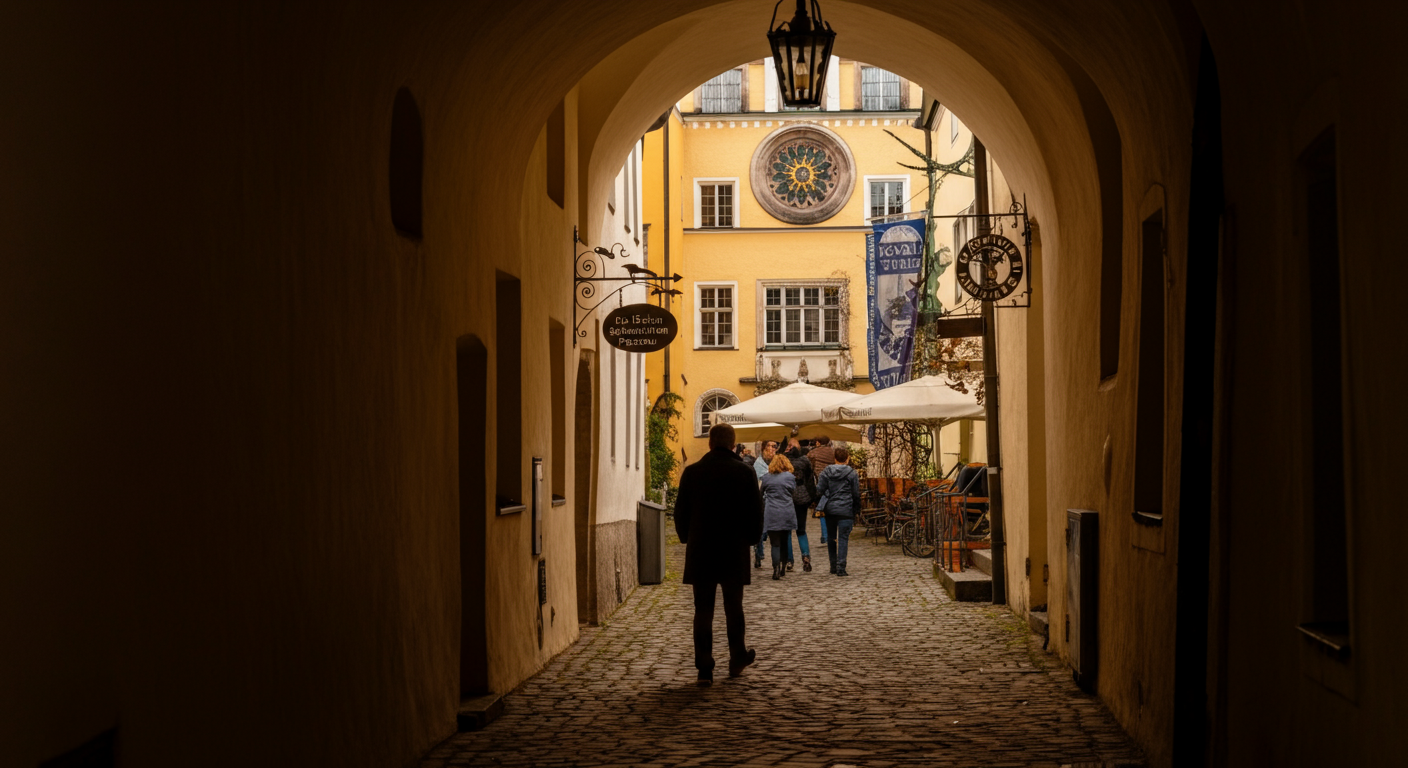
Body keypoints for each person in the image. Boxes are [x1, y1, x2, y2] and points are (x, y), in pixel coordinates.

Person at [674, 423, 763, 686]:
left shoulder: (692, 472)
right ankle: (737, 657)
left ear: (710, 443)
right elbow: (755, 512)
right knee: (734, 607)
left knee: (703, 610)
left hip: (701, 549)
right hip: (734, 549)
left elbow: (681, 512)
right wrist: (752, 539)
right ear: (733, 444)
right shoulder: (745, 473)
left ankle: (704, 667)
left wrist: (686, 537)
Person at [815, 445, 862, 576]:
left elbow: (819, 489)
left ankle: (833, 565)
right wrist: (856, 509)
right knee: (843, 538)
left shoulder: (826, 472)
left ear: (835, 458)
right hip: (846, 510)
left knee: (831, 538)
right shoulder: (852, 473)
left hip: (830, 509)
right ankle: (841, 566)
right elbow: (856, 493)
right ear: (847, 459)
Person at [759, 452, 798, 580]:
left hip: (772, 512)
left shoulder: (766, 477)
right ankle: (782, 567)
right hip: (786, 511)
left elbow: (761, 493)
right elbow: (793, 491)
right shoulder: (790, 477)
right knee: (785, 540)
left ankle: (775, 568)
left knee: (775, 543)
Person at [785, 441, 816, 572]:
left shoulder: (783, 460)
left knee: (787, 531)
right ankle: (805, 555)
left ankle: (789, 560)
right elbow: (810, 479)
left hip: (787, 496)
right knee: (801, 530)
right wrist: (811, 497)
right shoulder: (804, 460)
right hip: (802, 496)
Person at [751, 440, 778, 568]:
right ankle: (759, 553)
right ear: (763, 448)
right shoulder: (758, 464)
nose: (772, 449)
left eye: (775, 446)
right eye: (770, 446)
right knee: (761, 529)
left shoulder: (777, 462)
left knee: (770, 529)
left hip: (774, 499)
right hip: (761, 498)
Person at [807, 436, 837, 545]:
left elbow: (808, 469)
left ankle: (825, 534)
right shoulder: (834, 452)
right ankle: (832, 534)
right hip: (834, 484)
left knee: (822, 509)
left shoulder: (812, 454)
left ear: (818, 443)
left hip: (821, 483)